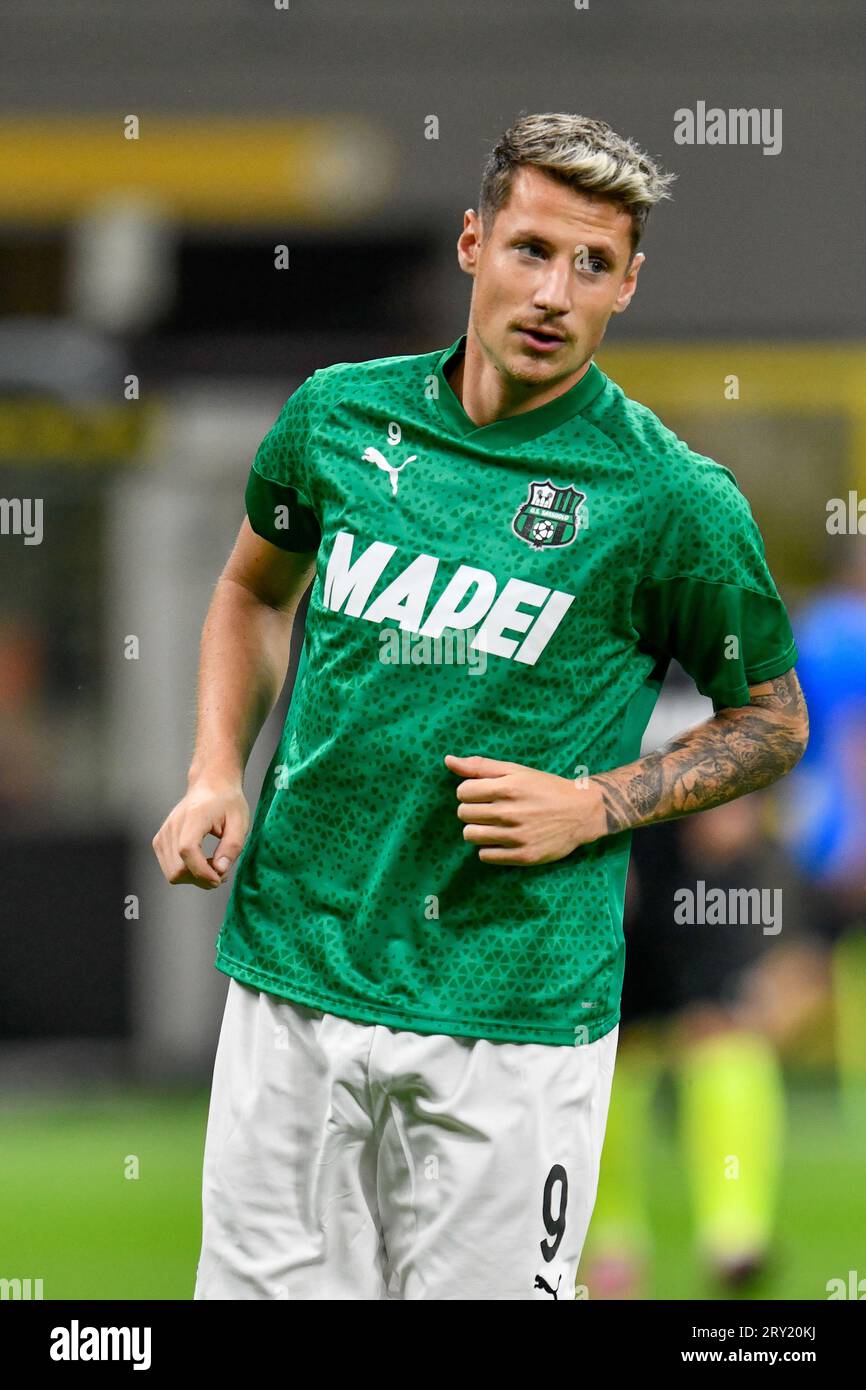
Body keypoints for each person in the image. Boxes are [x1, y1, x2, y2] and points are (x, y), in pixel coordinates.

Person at [152, 112, 809, 1300]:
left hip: (509, 1012)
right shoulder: (337, 417)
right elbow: (251, 590)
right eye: (530, 250)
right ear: (471, 243)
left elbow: (770, 718)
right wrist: (212, 769)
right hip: (295, 968)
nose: (554, 291)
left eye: (592, 265)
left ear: (627, 286)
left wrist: (595, 804)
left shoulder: (669, 498)